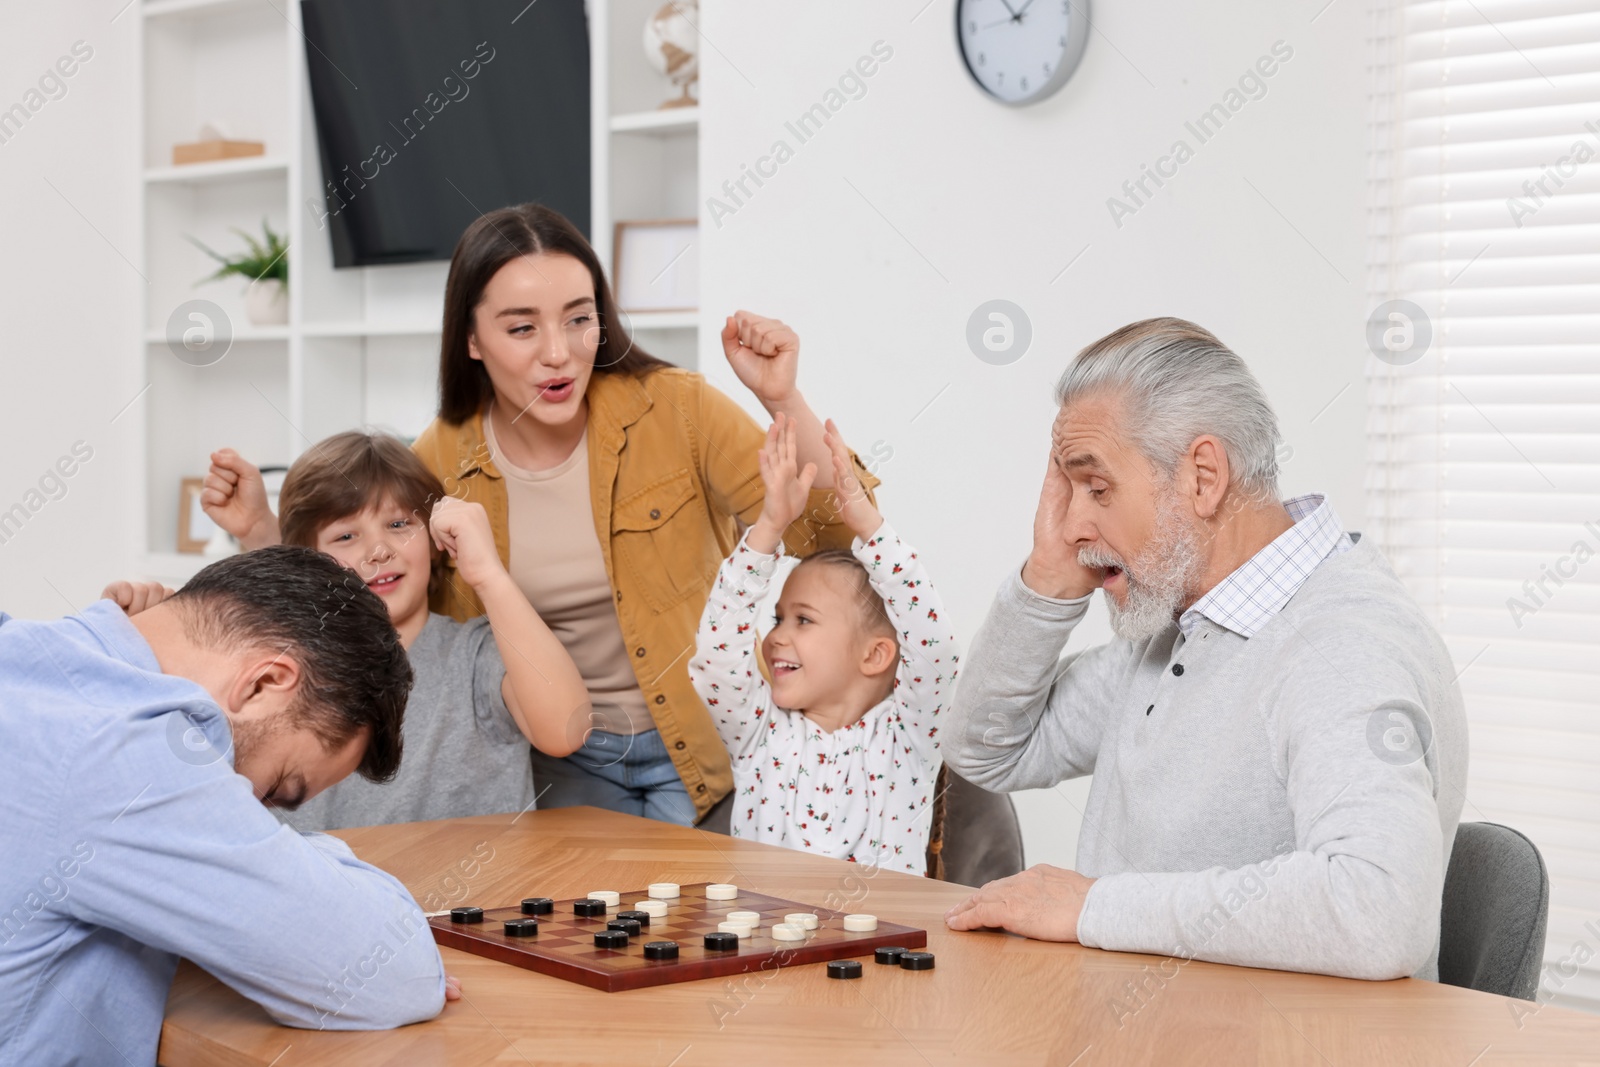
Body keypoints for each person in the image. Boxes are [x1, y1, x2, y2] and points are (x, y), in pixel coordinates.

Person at [203, 202, 879, 827]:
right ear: (471, 338)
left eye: (579, 318)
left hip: (704, 740)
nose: (558, 351)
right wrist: (260, 536)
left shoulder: (677, 408)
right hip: (560, 754)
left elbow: (838, 533)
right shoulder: (442, 459)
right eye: (522, 327)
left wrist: (782, 398)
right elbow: (376, 596)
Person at [942, 317, 1468, 981]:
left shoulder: (1341, 644)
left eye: (1096, 488)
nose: (1074, 525)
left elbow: (1380, 910)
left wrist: (1094, 907)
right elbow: (986, 749)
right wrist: (1047, 576)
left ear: (1202, 476)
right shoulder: (1182, 627)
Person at [0, 548, 456, 1066]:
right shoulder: (129, 754)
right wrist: (289, 860)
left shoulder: (32, 661)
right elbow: (395, 974)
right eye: (274, 790)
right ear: (264, 683)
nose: (256, 812)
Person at [178, 431, 590, 831]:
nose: (378, 550)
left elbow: (566, 729)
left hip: (468, 898)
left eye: (398, 525)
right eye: (345, 535)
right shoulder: (285, 665)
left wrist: (488, 575)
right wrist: (258, 532)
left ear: (433, 537)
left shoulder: (475, 654)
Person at [688, 414, 958, 875]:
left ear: (874, 655)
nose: (775, 637)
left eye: (803, 620)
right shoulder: (759, 733)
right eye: (778, 618)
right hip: (766, 942)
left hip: (881, 944)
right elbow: (717, 654)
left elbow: (935, 649)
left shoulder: (907, 740)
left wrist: (872, 529)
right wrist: (769, 527)